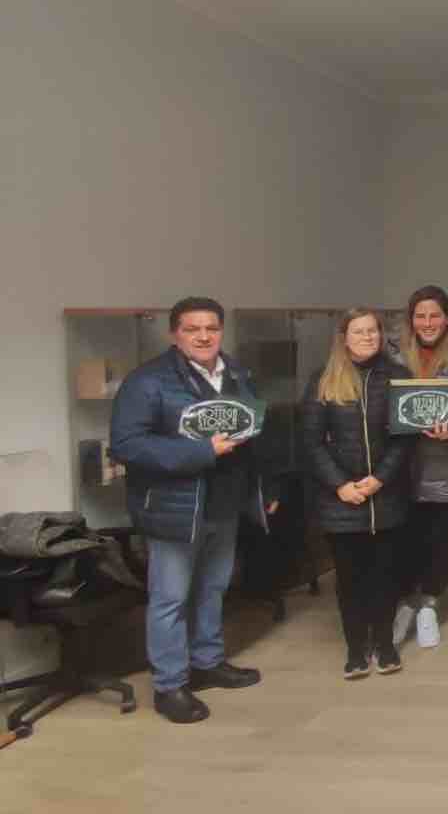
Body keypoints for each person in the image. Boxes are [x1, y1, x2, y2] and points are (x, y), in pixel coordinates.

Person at [110, 297, 279, 724]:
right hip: (173, 508)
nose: (203, 336)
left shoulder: (238, 373)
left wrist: (265, 487)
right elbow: (127, 445)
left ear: (221, 331)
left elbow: (254, 432)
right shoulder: (147, 381)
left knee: (213, 588)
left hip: (225, 502)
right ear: (175, 334)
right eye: (192, 329)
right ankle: (170, 686)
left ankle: (207, 663)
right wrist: (201, 451)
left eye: (211, 328)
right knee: (169, 599)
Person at [301, 308, 416, 680]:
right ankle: (354, 650)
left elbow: (404, 437)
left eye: (373, 331)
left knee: (385, 577)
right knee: (350, 580)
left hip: (386, 496)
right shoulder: (323, 380)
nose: (368, 337)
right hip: (341, 500)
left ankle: (384, 646)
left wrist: (380, 479)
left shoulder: (398, 377)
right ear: (343, 337)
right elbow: (312, 443)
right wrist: (341, 485)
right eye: (359, 331)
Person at [389, 285, 448, 651]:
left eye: (434, 315)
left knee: (437, 538)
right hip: (397, 463)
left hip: (445, 463)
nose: (427, 323)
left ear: (447, 317)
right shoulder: (389, 354)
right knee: (401, 538)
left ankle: (428, 605)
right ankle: (404, 603)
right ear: (411, 319)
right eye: (420, 315)